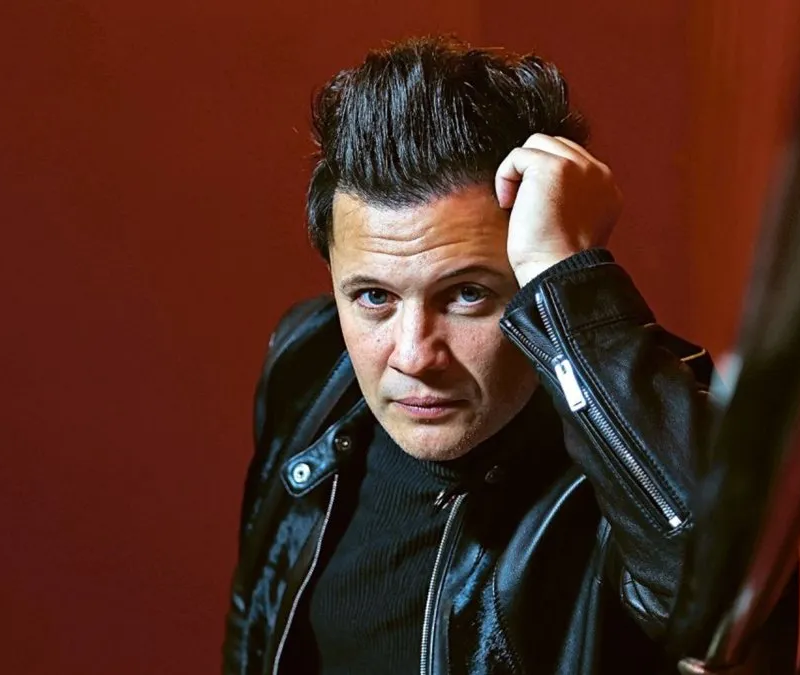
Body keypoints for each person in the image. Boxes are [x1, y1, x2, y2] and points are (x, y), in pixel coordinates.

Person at [223, 36, 712, 675]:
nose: (414, 356)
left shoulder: (646, 431)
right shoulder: (308, 362)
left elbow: (716, 598)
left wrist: (566, 271)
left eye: (467, 294)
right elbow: (256, 624)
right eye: (374, 296)